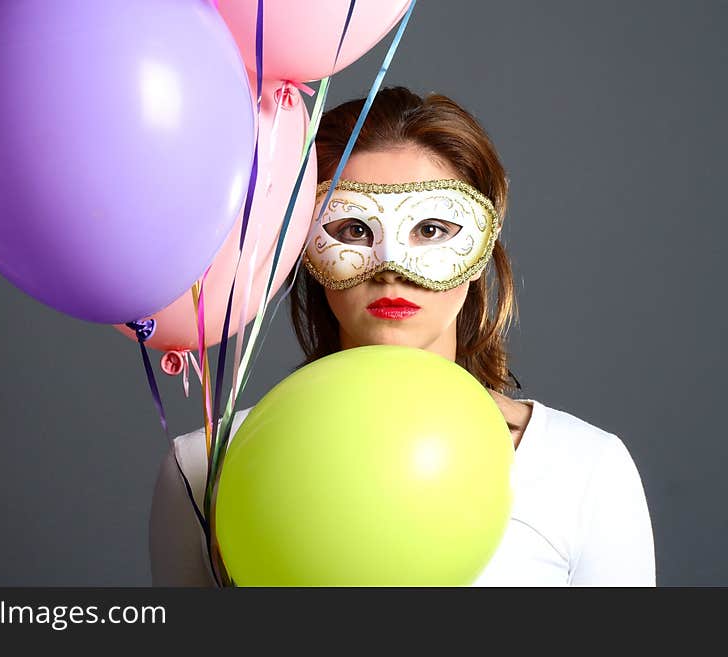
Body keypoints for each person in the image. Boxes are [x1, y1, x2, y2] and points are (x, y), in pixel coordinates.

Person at [148, 87, 656, 587]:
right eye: (352, 230)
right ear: (301, 247)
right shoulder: (203, 466)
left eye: (432, 229)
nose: (390, 266)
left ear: (484, 244)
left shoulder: (584, 469)